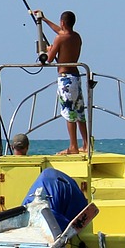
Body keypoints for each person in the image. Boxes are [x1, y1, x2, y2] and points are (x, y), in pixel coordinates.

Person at [33, 9, 88, 154]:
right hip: (76, 78)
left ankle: (73, 147)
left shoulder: (60, 39)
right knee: (80, 112)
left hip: (65, 79)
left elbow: (49, 59)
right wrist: (44, 20)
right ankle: (87, 144)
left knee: (69, 113)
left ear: (62, 22)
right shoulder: (76, 37)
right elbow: (62, 34)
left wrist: (48, 49)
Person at [23, 167, 91, 231]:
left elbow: (65, 230)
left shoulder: (51, 215)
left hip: (66, 188)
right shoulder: (25, 208)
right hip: (53, 180)